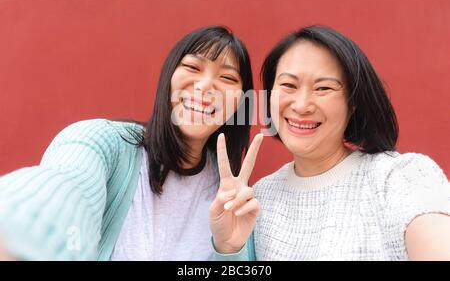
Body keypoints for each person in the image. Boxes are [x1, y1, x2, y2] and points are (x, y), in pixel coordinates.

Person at [0, 25, 261, 261]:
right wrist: (22, 229)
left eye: (227, 78)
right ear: (169, 77)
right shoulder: (102, 143)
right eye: (193, 67)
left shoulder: (233, 196)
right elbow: (68, 184)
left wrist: (228, 249)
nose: (206, 86)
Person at [210, 25, 450, 260]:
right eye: (288, 85)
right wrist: (229, 249)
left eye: (323, 88)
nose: (302, 105)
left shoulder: (400, 176)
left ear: (353, 102)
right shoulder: (257, 199)